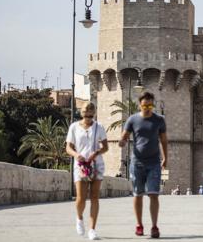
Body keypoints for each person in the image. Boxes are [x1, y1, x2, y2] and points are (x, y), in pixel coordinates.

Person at [119, 92, 168, 238]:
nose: (147, 107)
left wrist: (166, 158)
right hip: (137, 163)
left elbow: (164, 140)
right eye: (145, 105)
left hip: (154, 163)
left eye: (150, 105)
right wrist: (122, 141)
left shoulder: (159, 120)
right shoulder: (132, 119)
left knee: (154, 195)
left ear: (153, 104)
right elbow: (124, 136)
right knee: (138, 195)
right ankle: (139, 225)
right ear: (140, 104)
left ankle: (154, 226)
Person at [66, 102, 109, 241]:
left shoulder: (99, 127)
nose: (88, 114)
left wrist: (96, 153)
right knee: (81, 198)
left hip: (97, 165)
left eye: (91, 112)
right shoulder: (74, 127)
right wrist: (76, 154)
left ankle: (92, 229)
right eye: (86, 111)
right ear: (81, 112)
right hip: (81, 166)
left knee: (95, 197)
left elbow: (105, 147)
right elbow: (68, 148)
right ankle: (79, 218)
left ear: (94, 112)